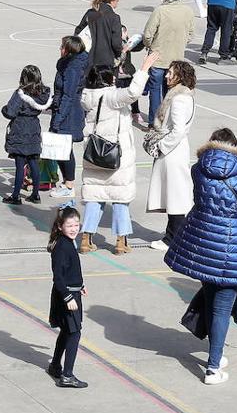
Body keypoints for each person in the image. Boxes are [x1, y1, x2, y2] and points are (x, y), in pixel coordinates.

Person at [164, 127, 237, 385]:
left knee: (211, 298)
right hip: (231, 247)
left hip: (203, 244)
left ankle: (215, 353)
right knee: (222, 309)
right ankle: (213, 367)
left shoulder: (199, 169)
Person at [78, 54, 155, 255]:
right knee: (120, 198)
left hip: (94, 154)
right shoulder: (112, 97)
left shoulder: (87, 97)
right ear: (108, 79)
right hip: (115, 155)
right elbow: (133, 91)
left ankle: (86, 238)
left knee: (95, 195)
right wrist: (144, 68)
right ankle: (121, 242)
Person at [146, 60, 197, 251]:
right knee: (172, 194)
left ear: (180, 76)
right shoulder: (181, 95)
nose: (167, 75)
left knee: (175, 195)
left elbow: (178, 130)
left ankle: (173, 238)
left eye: (171, 73)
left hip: (172, 152)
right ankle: (172, 234)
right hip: (173, 151)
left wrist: (161, 146)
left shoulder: (179, 99)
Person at [47, 206, 87, 389]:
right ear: (60, 226)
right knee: (74, 332)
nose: (74, 228)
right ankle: (67, 375)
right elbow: (59, 277)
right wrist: (69, 297)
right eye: (69, 225)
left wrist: (81, 286)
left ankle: (55, 365)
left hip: (72, 291)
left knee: (66, 330)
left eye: (76, 224)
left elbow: (71, 270)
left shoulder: (67, 242)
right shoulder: (62, 246)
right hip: (68, 296)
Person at [142, 0, 196, 121]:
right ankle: (167, 120)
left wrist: (151, 46)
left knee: (155, 91)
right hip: (177, 60)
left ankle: (153, 121)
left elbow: (148, 34)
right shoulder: (188, 11)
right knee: (171, 92)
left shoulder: (160, 11)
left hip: (158, 58)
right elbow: (191, 34)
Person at [1, 65, 51, 205]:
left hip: (20, 129)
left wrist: (4, 109)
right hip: (34, 128)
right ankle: (35, 194)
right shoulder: (43, 93)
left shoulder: (21, 93)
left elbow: (10, 112)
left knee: (20, 164)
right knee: (34, 162)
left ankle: (16, 195)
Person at [48, 36, 90, 200]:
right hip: (63, 110)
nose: (60, 49)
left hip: (69, 114)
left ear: (69, 50)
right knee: (61, 149)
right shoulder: (69, 64)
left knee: (64, 149)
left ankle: (69, 184)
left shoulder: (73, 68)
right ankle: (66, 181)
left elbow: (69, 95)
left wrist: (58, 118)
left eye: (62, 47)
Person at [75, 0, 124, 69]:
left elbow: (78, 31)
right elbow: (116, 43)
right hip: (104, 59)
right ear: (113, 0)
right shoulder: (114, 17)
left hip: (86, 55)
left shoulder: (90, 13)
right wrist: (119, 54)